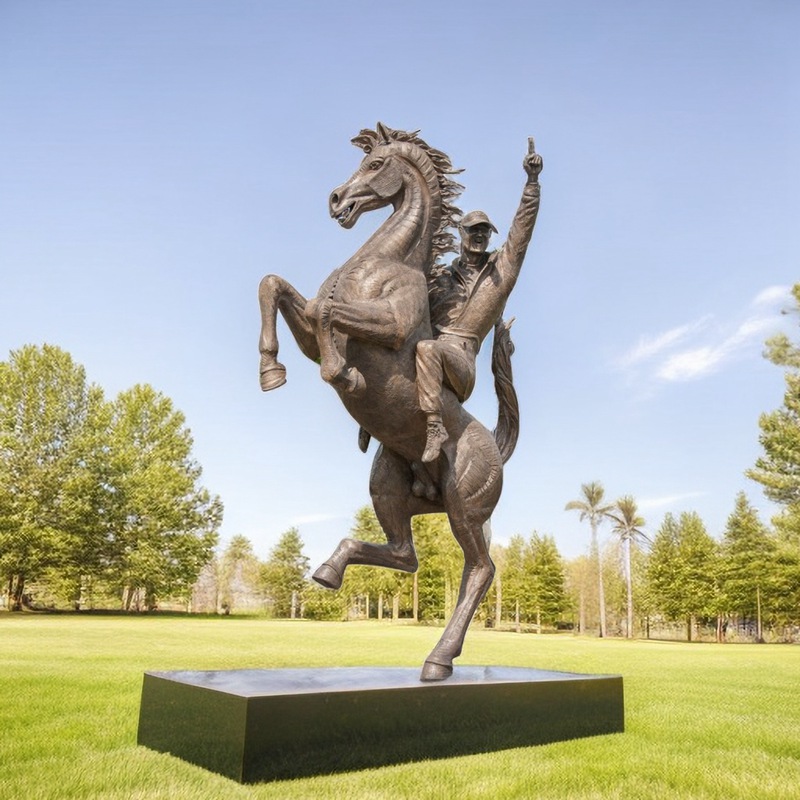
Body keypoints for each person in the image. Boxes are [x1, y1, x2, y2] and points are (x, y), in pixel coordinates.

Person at [417, 138, 543, 463]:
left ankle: (434, 428)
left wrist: (532, 183)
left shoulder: (500, 272)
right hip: (427, 353)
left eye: (485, 232)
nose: (479, 236)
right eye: (473, 230)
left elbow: (521, 231)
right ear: (460, 233)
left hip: (459, 360)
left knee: (428, 349)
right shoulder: (441, 278)